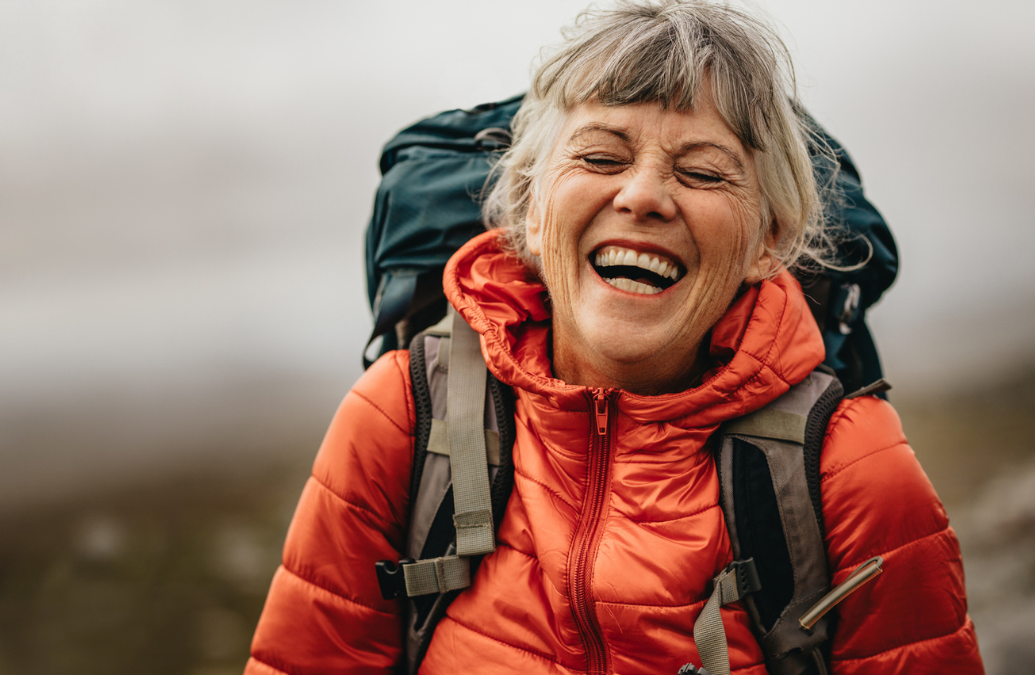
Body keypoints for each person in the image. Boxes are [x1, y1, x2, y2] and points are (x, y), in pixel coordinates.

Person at [245, 1, 984, 673]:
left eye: (701, 172)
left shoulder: (853, 470)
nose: (642, 195)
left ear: (770, 241)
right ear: (530, 209)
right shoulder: (401, 419)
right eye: (600, 157)